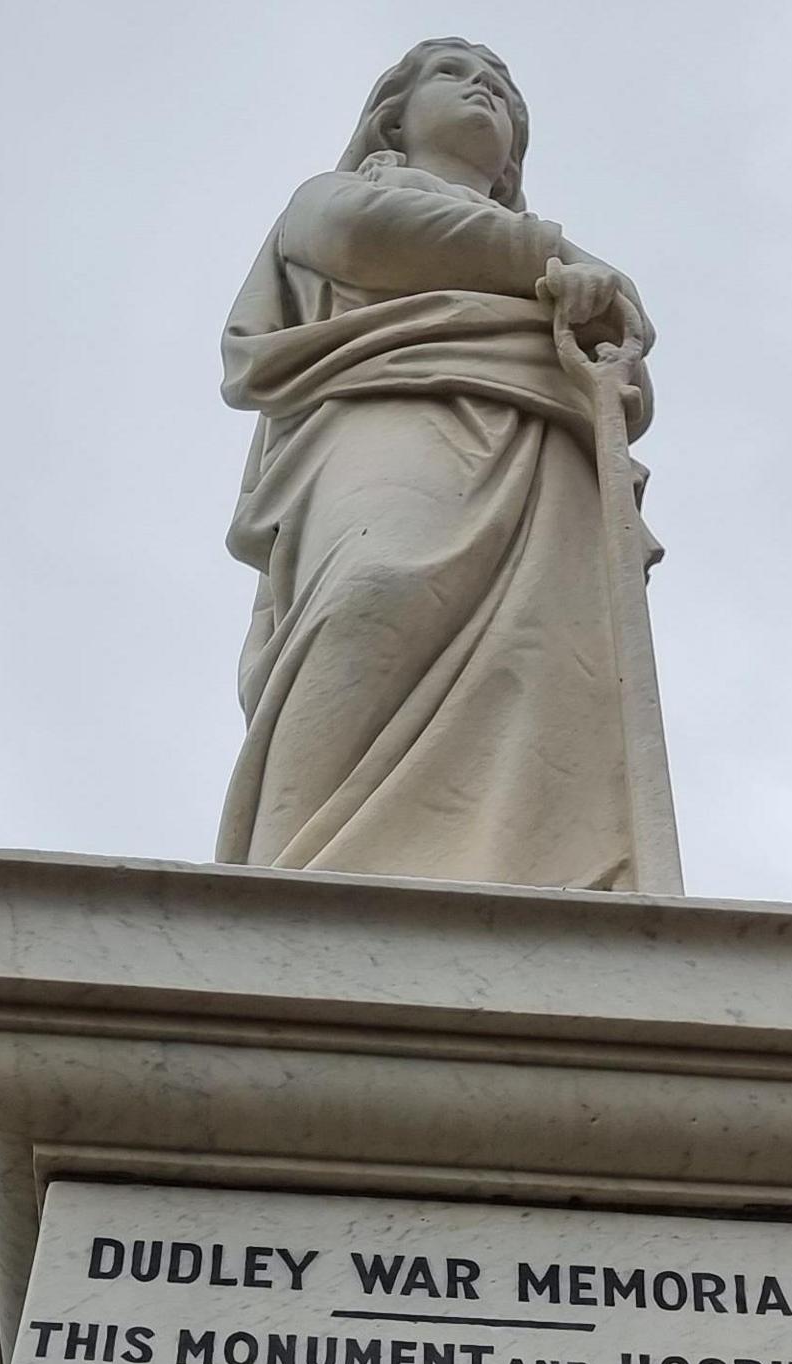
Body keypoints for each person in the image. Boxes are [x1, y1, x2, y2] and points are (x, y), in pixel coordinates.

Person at [214, 37, 674, 891]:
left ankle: (541, 875)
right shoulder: (341, 195)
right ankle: (292, 870)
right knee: (373, 591)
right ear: (396, 112)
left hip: (539, 442)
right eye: (456, 78)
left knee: (544, 657)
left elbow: (628, 364)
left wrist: (600, 312)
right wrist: (562, 269)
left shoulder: (568, 262)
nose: (484, 95)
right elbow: (362, 237)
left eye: (502, 91)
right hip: (389, 410)